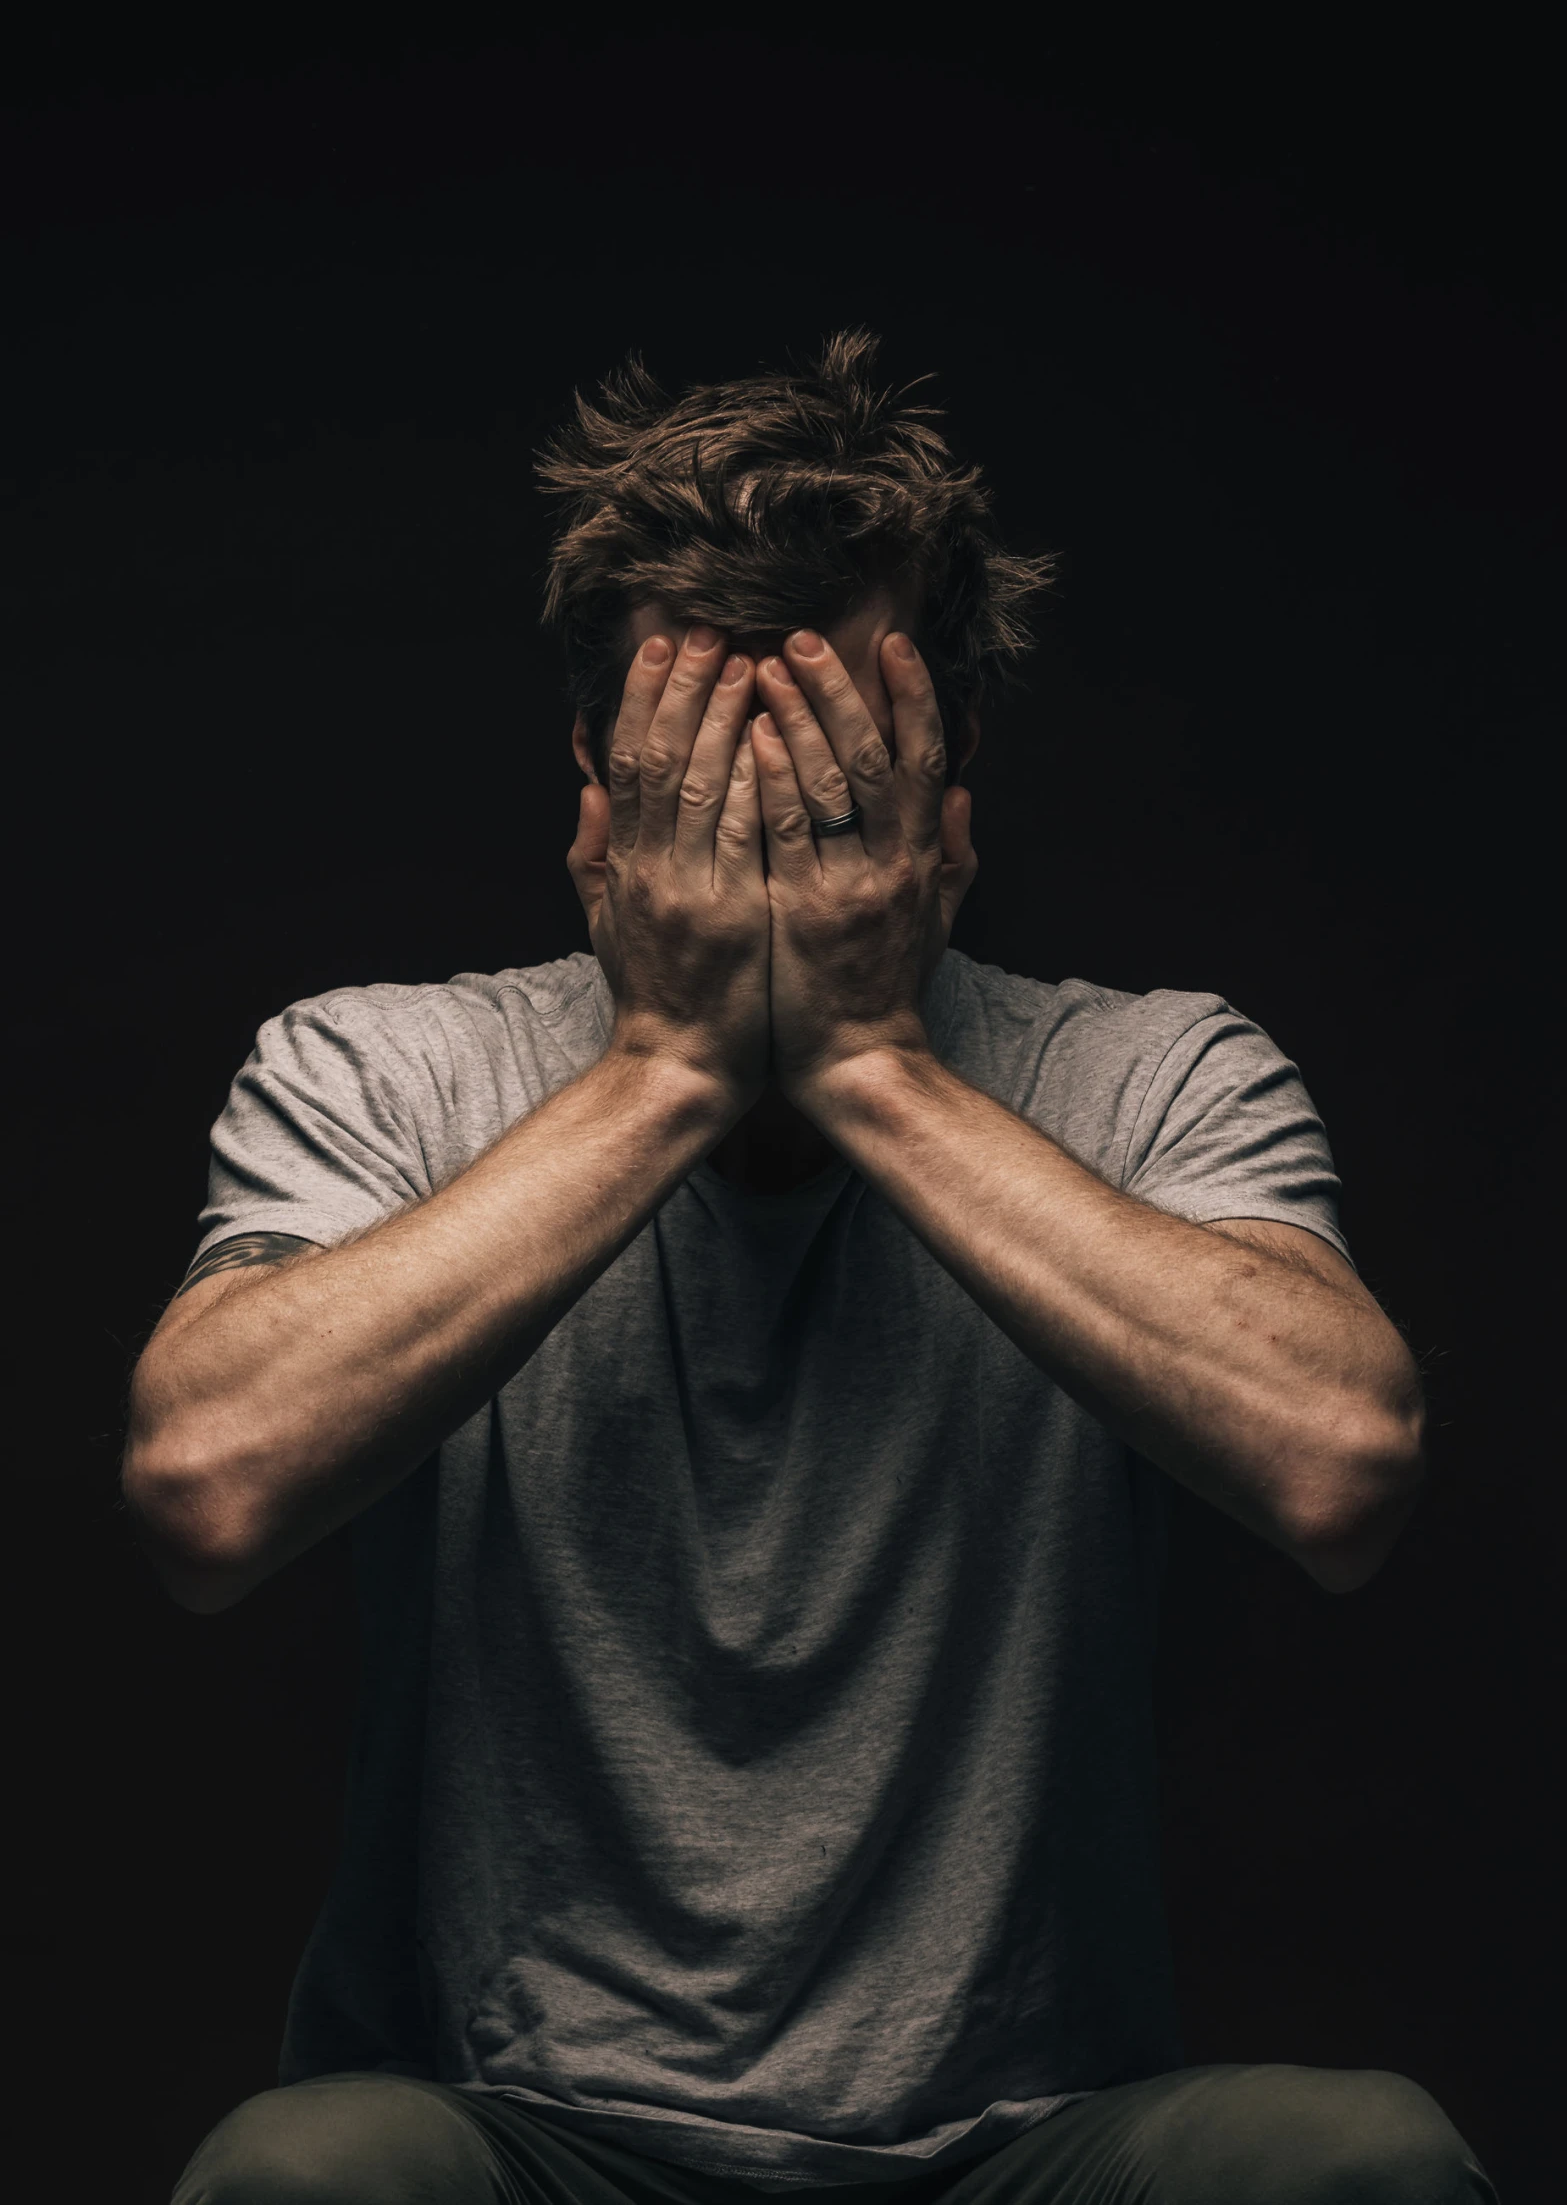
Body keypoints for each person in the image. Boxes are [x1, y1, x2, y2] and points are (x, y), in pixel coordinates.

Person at [126, 334, 1494, 2203]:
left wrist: (870, 1063)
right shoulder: (378, 1069)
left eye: (835, 786)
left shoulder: (1154, 1073)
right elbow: (203, 1486)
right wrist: (666, 1067)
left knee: (1361, 2157)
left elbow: (1342, 1462)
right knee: (300, 2172)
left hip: (1012, 2150)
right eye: (698, 786)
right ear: (595, 802)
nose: (768, 843)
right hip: (532, 2140)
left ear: (947, 796)